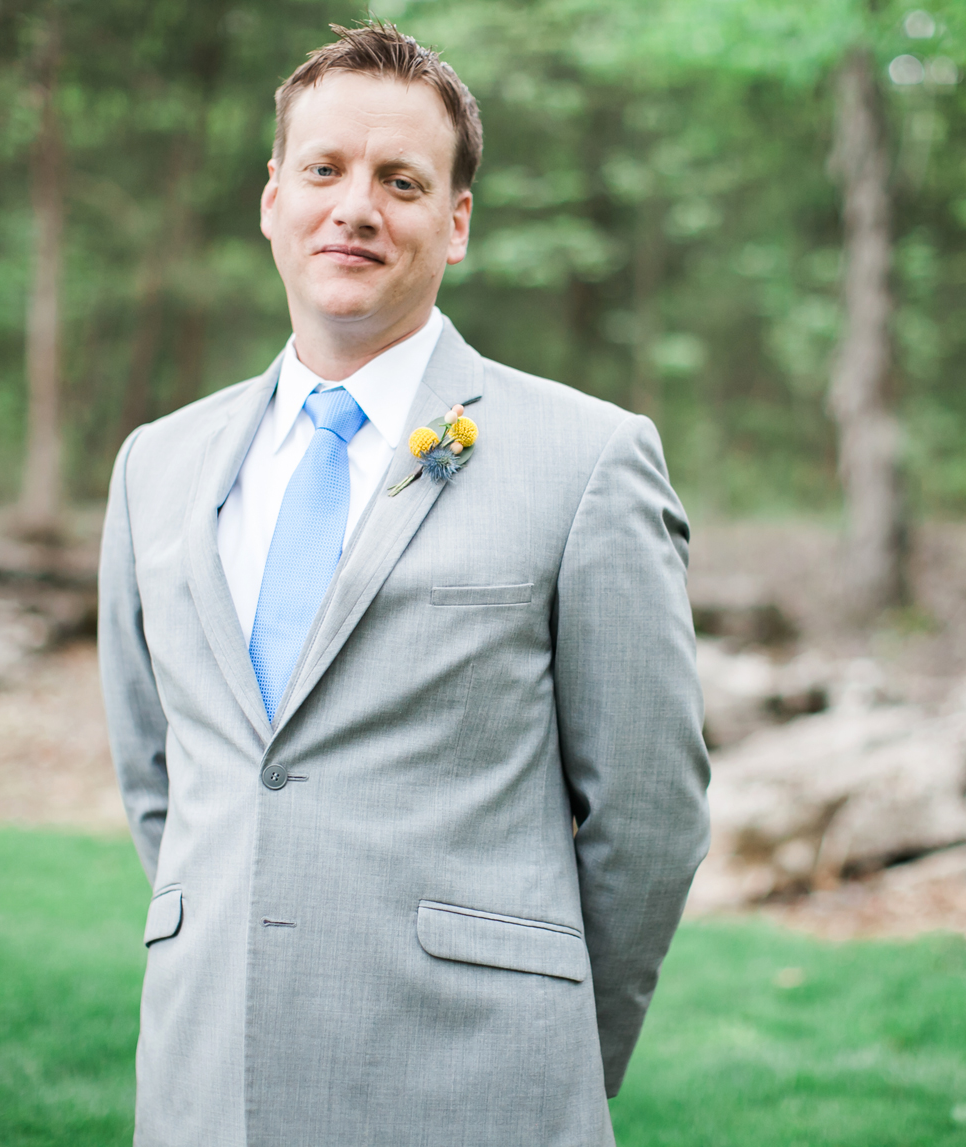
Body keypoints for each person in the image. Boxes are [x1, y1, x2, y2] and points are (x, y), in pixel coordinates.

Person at [98, 21, 709, 1147]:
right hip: (202, 1087)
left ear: (456, 221)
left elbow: (649, 811)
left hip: (478, 1085)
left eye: (401, 180)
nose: (356, 207)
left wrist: (559, 1039)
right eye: (324, 170)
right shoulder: (157, 465)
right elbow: (160, 777)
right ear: (272, 197)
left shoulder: (586, 459)